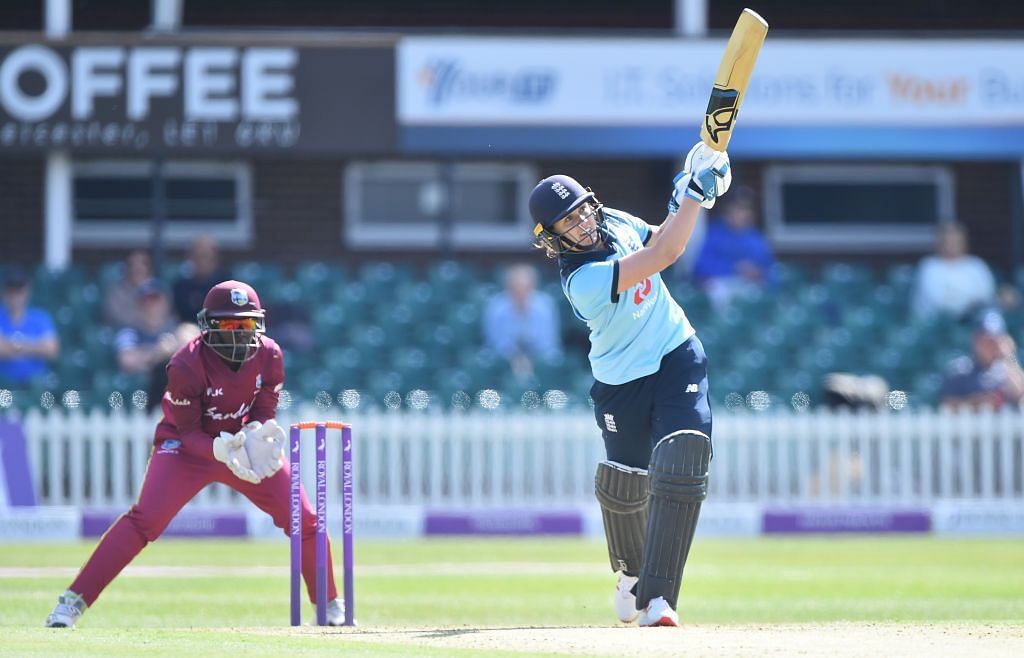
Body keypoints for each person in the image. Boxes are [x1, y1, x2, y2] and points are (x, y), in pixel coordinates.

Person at [45, 280, 348, 628]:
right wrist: (218, 448)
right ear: (208, 325)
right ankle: (73, 601)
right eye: (229, 325)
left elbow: (264, 409)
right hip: (186, 448)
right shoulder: (185, 364)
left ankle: (327, 604)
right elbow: (188, 431)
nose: (237, 335)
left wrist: (257, 433)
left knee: (305, 519)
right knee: (145, 521)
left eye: (245, 325)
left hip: (239, 445)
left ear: (258, 325)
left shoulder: (271, 354)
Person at [529, 141, 731, 627]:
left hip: (676, 351)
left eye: (581, 211)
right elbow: (666, 252)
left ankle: (660, 600)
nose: (581, 224)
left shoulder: (613, 220)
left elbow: (659, 234)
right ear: (553, 237)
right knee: (627, 485)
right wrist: (695, 196)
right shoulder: (582, 281)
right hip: (622, 382)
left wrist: (691, 192)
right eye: (567, 223)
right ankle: (631, 574)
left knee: (684, 456)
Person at [691, 186, 776, 310]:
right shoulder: (714, 234)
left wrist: (758, 272)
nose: (743, 213)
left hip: (748, 286)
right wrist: (735, 268)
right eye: (739, 208)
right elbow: (700, 267)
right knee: (718, 291)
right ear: (727, 211)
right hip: (722, 283)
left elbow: (771, 271)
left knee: (756, 296)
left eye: (747, 209)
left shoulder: (756, 239)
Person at [483, 263, 562, 383]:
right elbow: (496, 342)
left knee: (552, 361)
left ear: (532, 287)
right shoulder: (496, 307)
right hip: (504, 359)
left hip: (539, 357)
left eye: (525, 287)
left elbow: (548, 342)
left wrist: (530, 359)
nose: (520, 292)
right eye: (515, 287)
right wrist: (515, 358)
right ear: (508, 288)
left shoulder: (545, 306)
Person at [940, 309, 1024, 410]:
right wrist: (978, 402)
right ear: (975, 340)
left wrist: (1010, 355)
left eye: (994, 340)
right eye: (985, 340)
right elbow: (946, 405)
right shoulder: (960, 370)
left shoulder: (1008, 368)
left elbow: (1020, 393)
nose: (990, 345)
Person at [913, 222, 996, 320]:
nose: (953, 245)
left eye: (957, 241)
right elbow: (940, 302)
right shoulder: (929, 267)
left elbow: (987, 294)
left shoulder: (976, 265)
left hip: (975, 320)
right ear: (939, 243)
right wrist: (970, 302)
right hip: (937, 325)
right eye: (949, 241)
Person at [0, 267, 60, 389]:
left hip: (36, 384)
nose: (15, 296)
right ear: (5, 292)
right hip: (3, 385)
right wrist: (35, 347)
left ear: (27, 291)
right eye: (11, 290)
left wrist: (15, 345)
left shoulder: (40, 317)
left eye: (19, 290)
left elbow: (52, 350)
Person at [172, 235, 231, 323]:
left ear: (216, 258)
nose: (202, 261)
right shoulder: (181, 288)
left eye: (206, 256)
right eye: (197, 256)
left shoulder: (228, 287)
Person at [103, 250, 154, 329]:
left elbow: (167, 319)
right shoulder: (116, 293)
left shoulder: (159, 290)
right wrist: (147, 318)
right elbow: (118, 319)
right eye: (133, 264)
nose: (138, 268)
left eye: (143, 264)